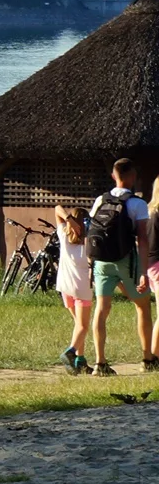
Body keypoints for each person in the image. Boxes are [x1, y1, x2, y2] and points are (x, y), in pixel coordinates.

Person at [87, 158, 155, 375]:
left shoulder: (100, 200)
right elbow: (143, 239)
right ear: (132, 176)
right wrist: (144, 272)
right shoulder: (137, 204)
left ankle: (100, 362)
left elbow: (92, 231)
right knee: (142, 305)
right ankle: (147, 358)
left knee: (101, 309)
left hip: (102, 262)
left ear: (114, 176)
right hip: (125, 261)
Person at [55, 205, 95, 374]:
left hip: (65, 287)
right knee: (83, 326)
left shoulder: (64, 234)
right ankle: (70, 353)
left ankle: (80, 361)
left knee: (78, 325)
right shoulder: (88, 245)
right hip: (82, 289)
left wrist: (68, 220)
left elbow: (57, 208)